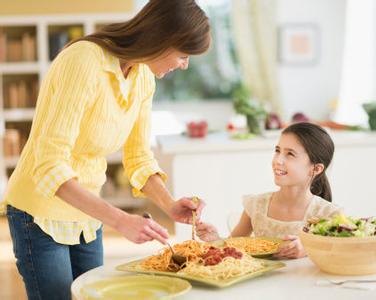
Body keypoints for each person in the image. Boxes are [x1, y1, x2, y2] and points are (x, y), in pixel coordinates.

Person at [0, 1, 210, 299]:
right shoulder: (84, 61)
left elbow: (138, 157)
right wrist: (120, 220)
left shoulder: (142, 78)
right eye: (184, 54)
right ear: (163, 39)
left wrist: (169, 204)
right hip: (39, 213)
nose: (184, 64)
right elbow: (48, 165)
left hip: (87, 213)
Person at [196, 122, 342, 259]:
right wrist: (215, 239)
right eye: (277, 151)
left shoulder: (328, 215)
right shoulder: (256, 205)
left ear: (316, 169)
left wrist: (308, 249)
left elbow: (338, 256)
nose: (278, 160)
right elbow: (231, 249)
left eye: (290, 154)